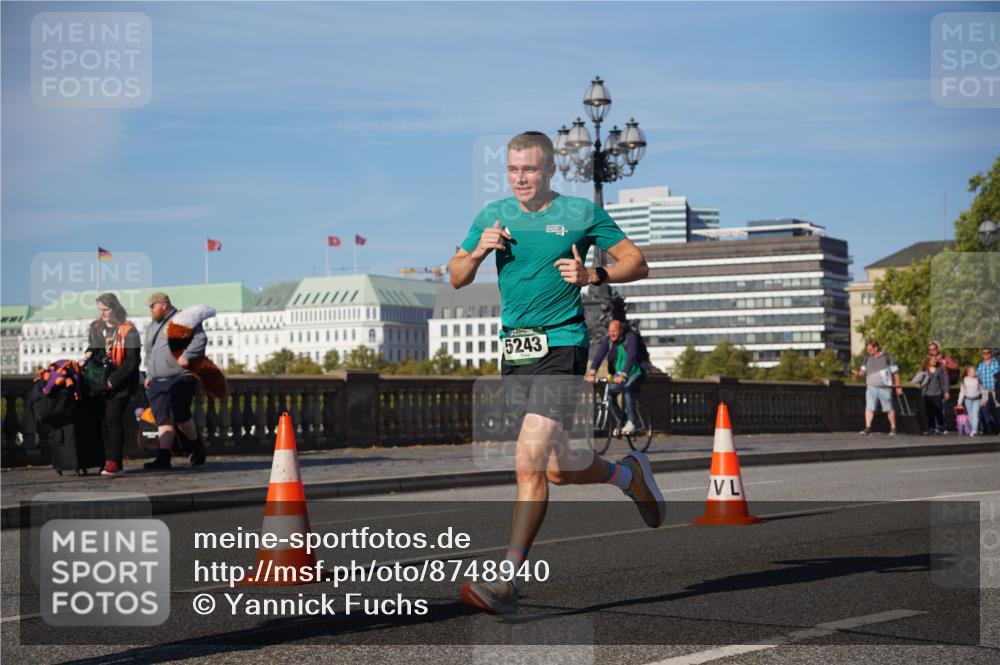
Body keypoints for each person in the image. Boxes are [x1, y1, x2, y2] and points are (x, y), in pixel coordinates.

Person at [449, 131, 663, 615]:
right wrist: (479, 251)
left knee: (527, 464)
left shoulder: (579, 214)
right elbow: (456, 277)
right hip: (515, 353)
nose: (520, 178)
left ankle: (507, 583)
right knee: (556, 469)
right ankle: (627, 475)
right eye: (512, 169)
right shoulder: (493, 215)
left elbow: (637, 262)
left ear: (549, 171)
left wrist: (594, 275)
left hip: (563, 346)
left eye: (529, 169)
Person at [143, 292, 207, 469]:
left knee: (180, 414)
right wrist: (149, 374)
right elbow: (150, 353)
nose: (151, 310)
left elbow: (200, 339)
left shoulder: (184, 318)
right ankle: (164, 457)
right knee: (162, 419)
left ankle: (195, 446)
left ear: (163, 305)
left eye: (152, 306)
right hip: (158, 379)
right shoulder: (152, 326)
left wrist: (187, 356)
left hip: (181, 375)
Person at [83, 293, 141, 476]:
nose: (102, 313)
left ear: (115, 308)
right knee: (102, 423)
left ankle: (114, 462)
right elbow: (95, 346)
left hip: (120, 383)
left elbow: (132, 361)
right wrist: (88, 354)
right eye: (100, 309)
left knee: (113, 421)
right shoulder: (96, 326)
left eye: (105, 309)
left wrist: (113, 380)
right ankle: (107, 460)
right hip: (100, 381)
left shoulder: (129, 330)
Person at [585, 320, 646, 435]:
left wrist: (624, 374)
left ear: (621, 331)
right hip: (618, 374)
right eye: (610, 332)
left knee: (628, 389)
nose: (612, 334)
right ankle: (622, 420)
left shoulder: (630, 338)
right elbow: (599, 355)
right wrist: (592, 372)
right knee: (610, 394)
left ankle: (631, 422)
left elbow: (632, 356)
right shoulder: (609, 341)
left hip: (635, 372)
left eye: (614, 331)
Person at [855, 339, 902, 436]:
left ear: (876, 348)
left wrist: (898, 386)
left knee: (888, 408)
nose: (868, 351)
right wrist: (858, 374)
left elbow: (895, 372)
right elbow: (863, 371)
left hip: (884, 387)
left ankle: (893, 428)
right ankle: (868, 427)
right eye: (867, 349)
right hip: (871, 387)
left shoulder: (887, 357)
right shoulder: (867, 359)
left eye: (870, 349)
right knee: (869, 407)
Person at [918, 354, 950, 435]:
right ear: (928, 361)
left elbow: (945, 381)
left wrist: (946, 391)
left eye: (936, 359)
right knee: (929, 412)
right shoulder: (924, 369)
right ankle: (931, 428)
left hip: (937, 393)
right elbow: (917, 380)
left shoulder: (940, 369)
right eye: (933, 360)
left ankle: (941, 427)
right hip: (927, 394)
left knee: (939, 411)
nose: (935, 361)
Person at [976, 348, 1000, 435]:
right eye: (984, 353)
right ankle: (988, 430)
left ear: (991, 354)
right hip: (985, 391)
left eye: (988, 353)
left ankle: (998, 429)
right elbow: (977, 377)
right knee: (984, 410)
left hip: (995, 391)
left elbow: (998, 375)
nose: (986, 354)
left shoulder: (996, 363)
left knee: (997, 411)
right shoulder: (981, 365)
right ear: (982, 354)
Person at [956, 366, 984, 437]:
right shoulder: (964, 380)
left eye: (974, 371)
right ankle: (972, 429)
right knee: (970, 415)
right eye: (971, 372)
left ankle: (975, 430)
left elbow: (982, 390)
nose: (973, 373)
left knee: (975, 414)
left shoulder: (978, 380)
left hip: (976, 399)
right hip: (968, 400)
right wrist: (959, 402)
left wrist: (984, 399)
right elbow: (962, 392)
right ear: (968, 373)